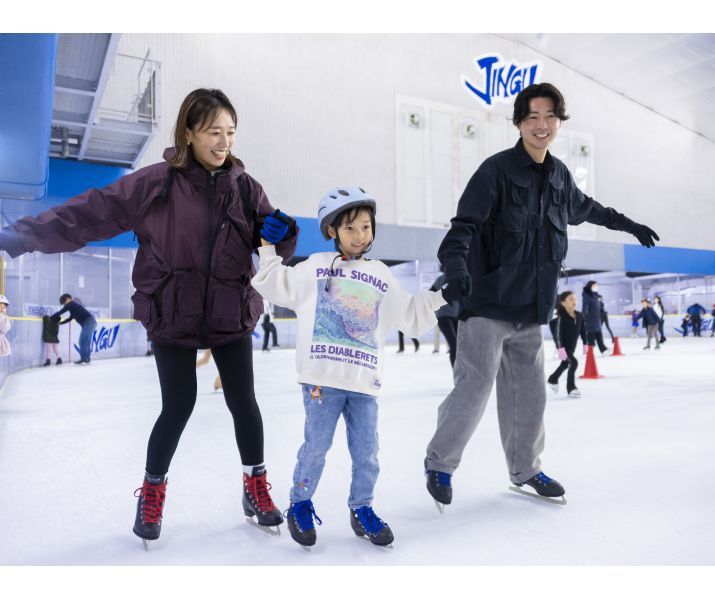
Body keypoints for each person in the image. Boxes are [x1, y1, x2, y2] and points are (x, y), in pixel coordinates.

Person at [0, 88, 298, 546]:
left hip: (229, 311)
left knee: (245, 403)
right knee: (178, 405)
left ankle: (254, 489)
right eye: (214, 131)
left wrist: (286, 233)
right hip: (172, 313)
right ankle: (153, 492)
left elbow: (274, 237)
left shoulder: (244, 186)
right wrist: (20, 236)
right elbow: (88, 214)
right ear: (190, 132)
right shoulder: (155, 182)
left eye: (231, 132)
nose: (224, 142)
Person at [423, 82, 659, 508]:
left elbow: (591, 209)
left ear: (558, 122)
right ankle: (440, 464)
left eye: (550, 117)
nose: (542, 125)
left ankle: (525, 469)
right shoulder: (495, 171)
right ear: (518, 123)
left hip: (532, 310)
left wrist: (630, 225)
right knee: (473, 387)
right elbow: (463, 227)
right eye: (533, 117)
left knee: (530, 396)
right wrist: (456, 269)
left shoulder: (559, 176)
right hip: (488, 306)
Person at [251, 187, 445, 548]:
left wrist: (442, 293)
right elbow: (276, 283)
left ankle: (361, 508)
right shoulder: (315, 267)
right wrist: (266, 247)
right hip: (321, 382)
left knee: (367, 454)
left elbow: (411, 314)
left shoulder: (381, 276)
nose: (360, 236)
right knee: (315, 448)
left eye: (366, 227)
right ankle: (300, 503)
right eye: (351, 228)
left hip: (363, 383)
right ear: (332, 231)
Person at [547, 291, 586, 398]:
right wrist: (560, 349)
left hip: (572, 346)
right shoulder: (560, 318)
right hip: (563, 347)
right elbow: (558, 334)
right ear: (563, 303)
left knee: (565, 364)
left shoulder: (579, 315)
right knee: (574, 362)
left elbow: (583, 330)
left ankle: (553, 379)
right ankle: (571, 387)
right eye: (571, 299)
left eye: (575, 299)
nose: (574, 301)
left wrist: (585, 343)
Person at [51, 294, 97, 364]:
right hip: (87, 323)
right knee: (82, 341)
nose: (64, 304)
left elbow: (60, 312)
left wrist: (50, 318)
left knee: (85, 339)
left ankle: (86, 358)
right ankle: (84, 358)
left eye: (64, 302)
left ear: (67, 299)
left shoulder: (71, 305)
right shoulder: (73, 308)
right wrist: (60, 323)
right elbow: (69, 319)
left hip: (89, 322)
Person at [430, 272, 460, 368]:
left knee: (459, 346)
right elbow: (430, 293)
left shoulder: (462, 277)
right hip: (443, 316)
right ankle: (457, 375)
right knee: (454, 345)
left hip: (457, 315)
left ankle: (462, 373)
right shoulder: (441, 279)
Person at [582, 281, 609, 355]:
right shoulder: (587, 296)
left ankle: (603, 349)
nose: (596, 287)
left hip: (596, 318)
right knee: (591, 335)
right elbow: (585, 307)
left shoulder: (595, 295)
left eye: (597, 285)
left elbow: (598, 306)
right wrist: (585, 317)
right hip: (590, 319)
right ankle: (562, 355)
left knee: (598, 334)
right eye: (594, 285)